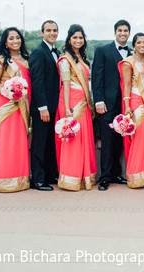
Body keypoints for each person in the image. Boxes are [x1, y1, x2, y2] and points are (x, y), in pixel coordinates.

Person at [0, 28, 31, 193]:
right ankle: (4, 180)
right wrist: (10, 92)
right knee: (5, 140)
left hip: (21, 104)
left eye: (17, 37)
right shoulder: (0, 60)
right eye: (11, 38)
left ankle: (21, 179)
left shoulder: (26, 59)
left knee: (19, 140)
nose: (15, 41)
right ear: (5, 41)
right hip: (5, 103)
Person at [56, 24, 97, 191]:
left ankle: (84, 176)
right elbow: (65, 84)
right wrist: (67, 108)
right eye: (75, 37)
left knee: (84, 137)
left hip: (84, 101)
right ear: (69, 39)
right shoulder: (65, 59)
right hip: (71, 102)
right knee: (73, 138)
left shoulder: (82, 57)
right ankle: (70, 177)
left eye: (81, 37)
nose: (78, 40)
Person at [92, 20, 131, 191]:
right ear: (115, 32)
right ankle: (105, 177)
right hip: (107, 103)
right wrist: (99, 101)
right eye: (120, 30)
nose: (123, 33)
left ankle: (116, 173)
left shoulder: (132, 53)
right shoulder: (102, 51)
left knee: (119, 140)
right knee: (107, 141)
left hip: (125, 103)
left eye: (126, 31)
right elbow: (96, 77)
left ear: (129, 33)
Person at [119, 33, 144, 188]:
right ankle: (136, 175)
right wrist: (127, 106)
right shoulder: (128, 62)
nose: (142, 45)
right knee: (139, 136)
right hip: (136, 101)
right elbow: (126, 85)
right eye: (139, 42)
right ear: (134, 45)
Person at [29, 20, 61, 191]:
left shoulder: (56, 51)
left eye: (55, 30)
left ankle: (49, 174)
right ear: (42, 33)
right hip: (43, 108)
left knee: (50, 143)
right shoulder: (38, 53)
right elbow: (37, 82)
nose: (52, 33)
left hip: (54, 106)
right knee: (39, 144)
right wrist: (43, 107)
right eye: (48, 30)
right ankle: (38, 179)